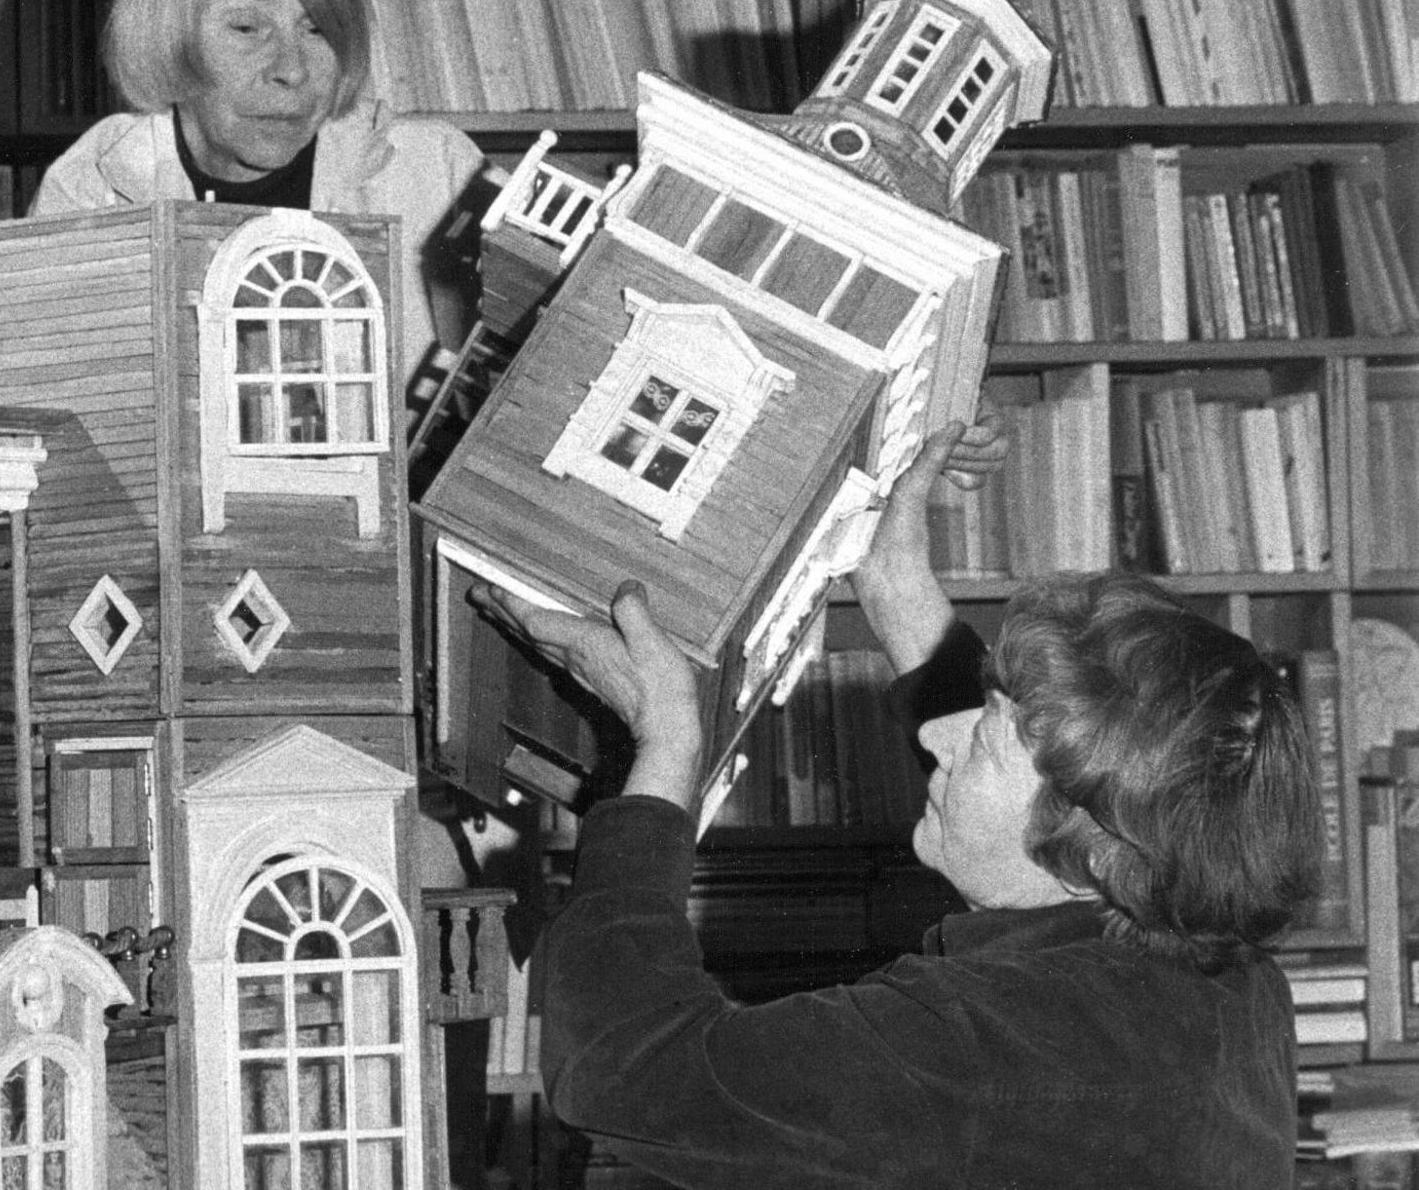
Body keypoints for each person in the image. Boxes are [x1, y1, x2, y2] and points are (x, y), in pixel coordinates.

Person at [473, 416, 1321, 1189]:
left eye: (982, 740)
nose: (936, 741)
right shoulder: (1231, 979)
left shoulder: (982, 1049)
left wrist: (664, 750)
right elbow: (1044, 789)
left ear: (1094, 852)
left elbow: (626, 1074)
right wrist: (898, 589)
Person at [28, 0, 484, 398]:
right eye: (247, 27)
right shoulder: (90, 188)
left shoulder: (441, 171)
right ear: (167, 34)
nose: (291, 69)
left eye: (317, 28)